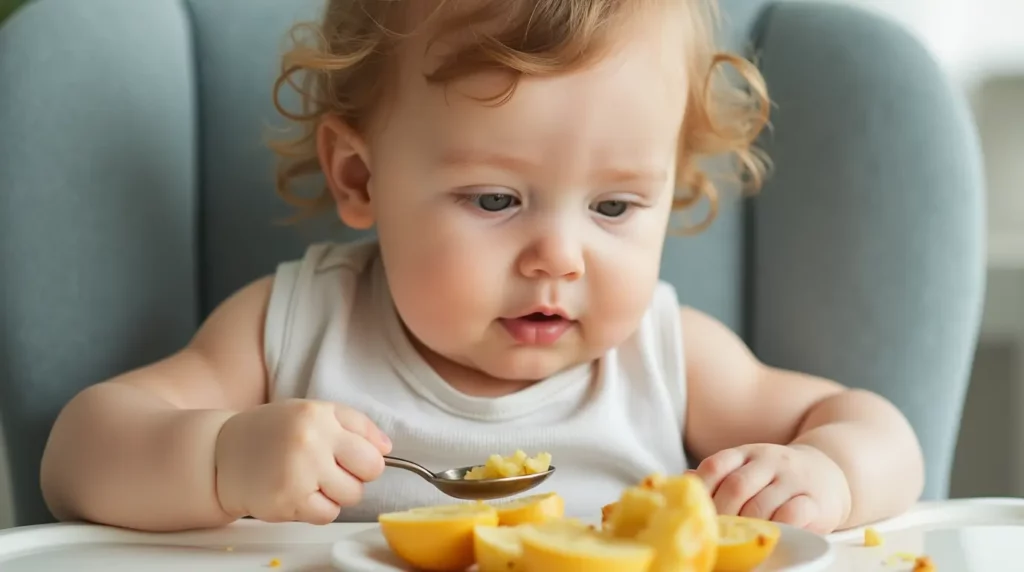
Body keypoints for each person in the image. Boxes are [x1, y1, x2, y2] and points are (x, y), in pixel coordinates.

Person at [40, 0, 923, 534]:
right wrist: (221, 458)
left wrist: (831, 474)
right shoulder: (299, 328)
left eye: (614, 206)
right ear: (360, 176)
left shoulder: (664, 358)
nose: (559, 257)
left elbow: (874, 428)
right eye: (495, 200)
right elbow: (81, 450)